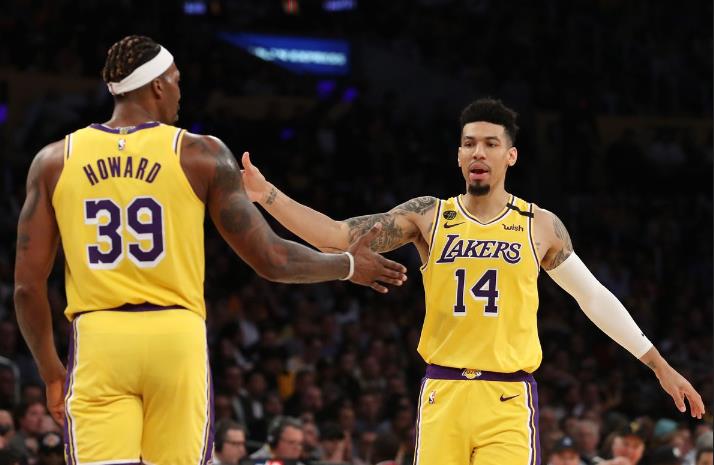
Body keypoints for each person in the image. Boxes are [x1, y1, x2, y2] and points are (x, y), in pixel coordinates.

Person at [240, 97, 706, 465]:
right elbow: (337, 235)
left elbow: (593, 297)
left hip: (507, 396)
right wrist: (267, 195)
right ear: (459, 156)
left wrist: (659, 365)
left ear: (511, 155)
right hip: (443, 391)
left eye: (490, 143)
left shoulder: (540, 225)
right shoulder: (428, 217)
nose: (478, 152)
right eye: (468, 144)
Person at [12, 35, 407, 465]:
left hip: (99, 339)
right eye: (176, 80)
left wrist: (51, 372)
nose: (180, 92)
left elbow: (27, 288)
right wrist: (346, 265)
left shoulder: (54, 161)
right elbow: (272, 259)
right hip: (175, 338)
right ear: (158, 85)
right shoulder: (199, 154)